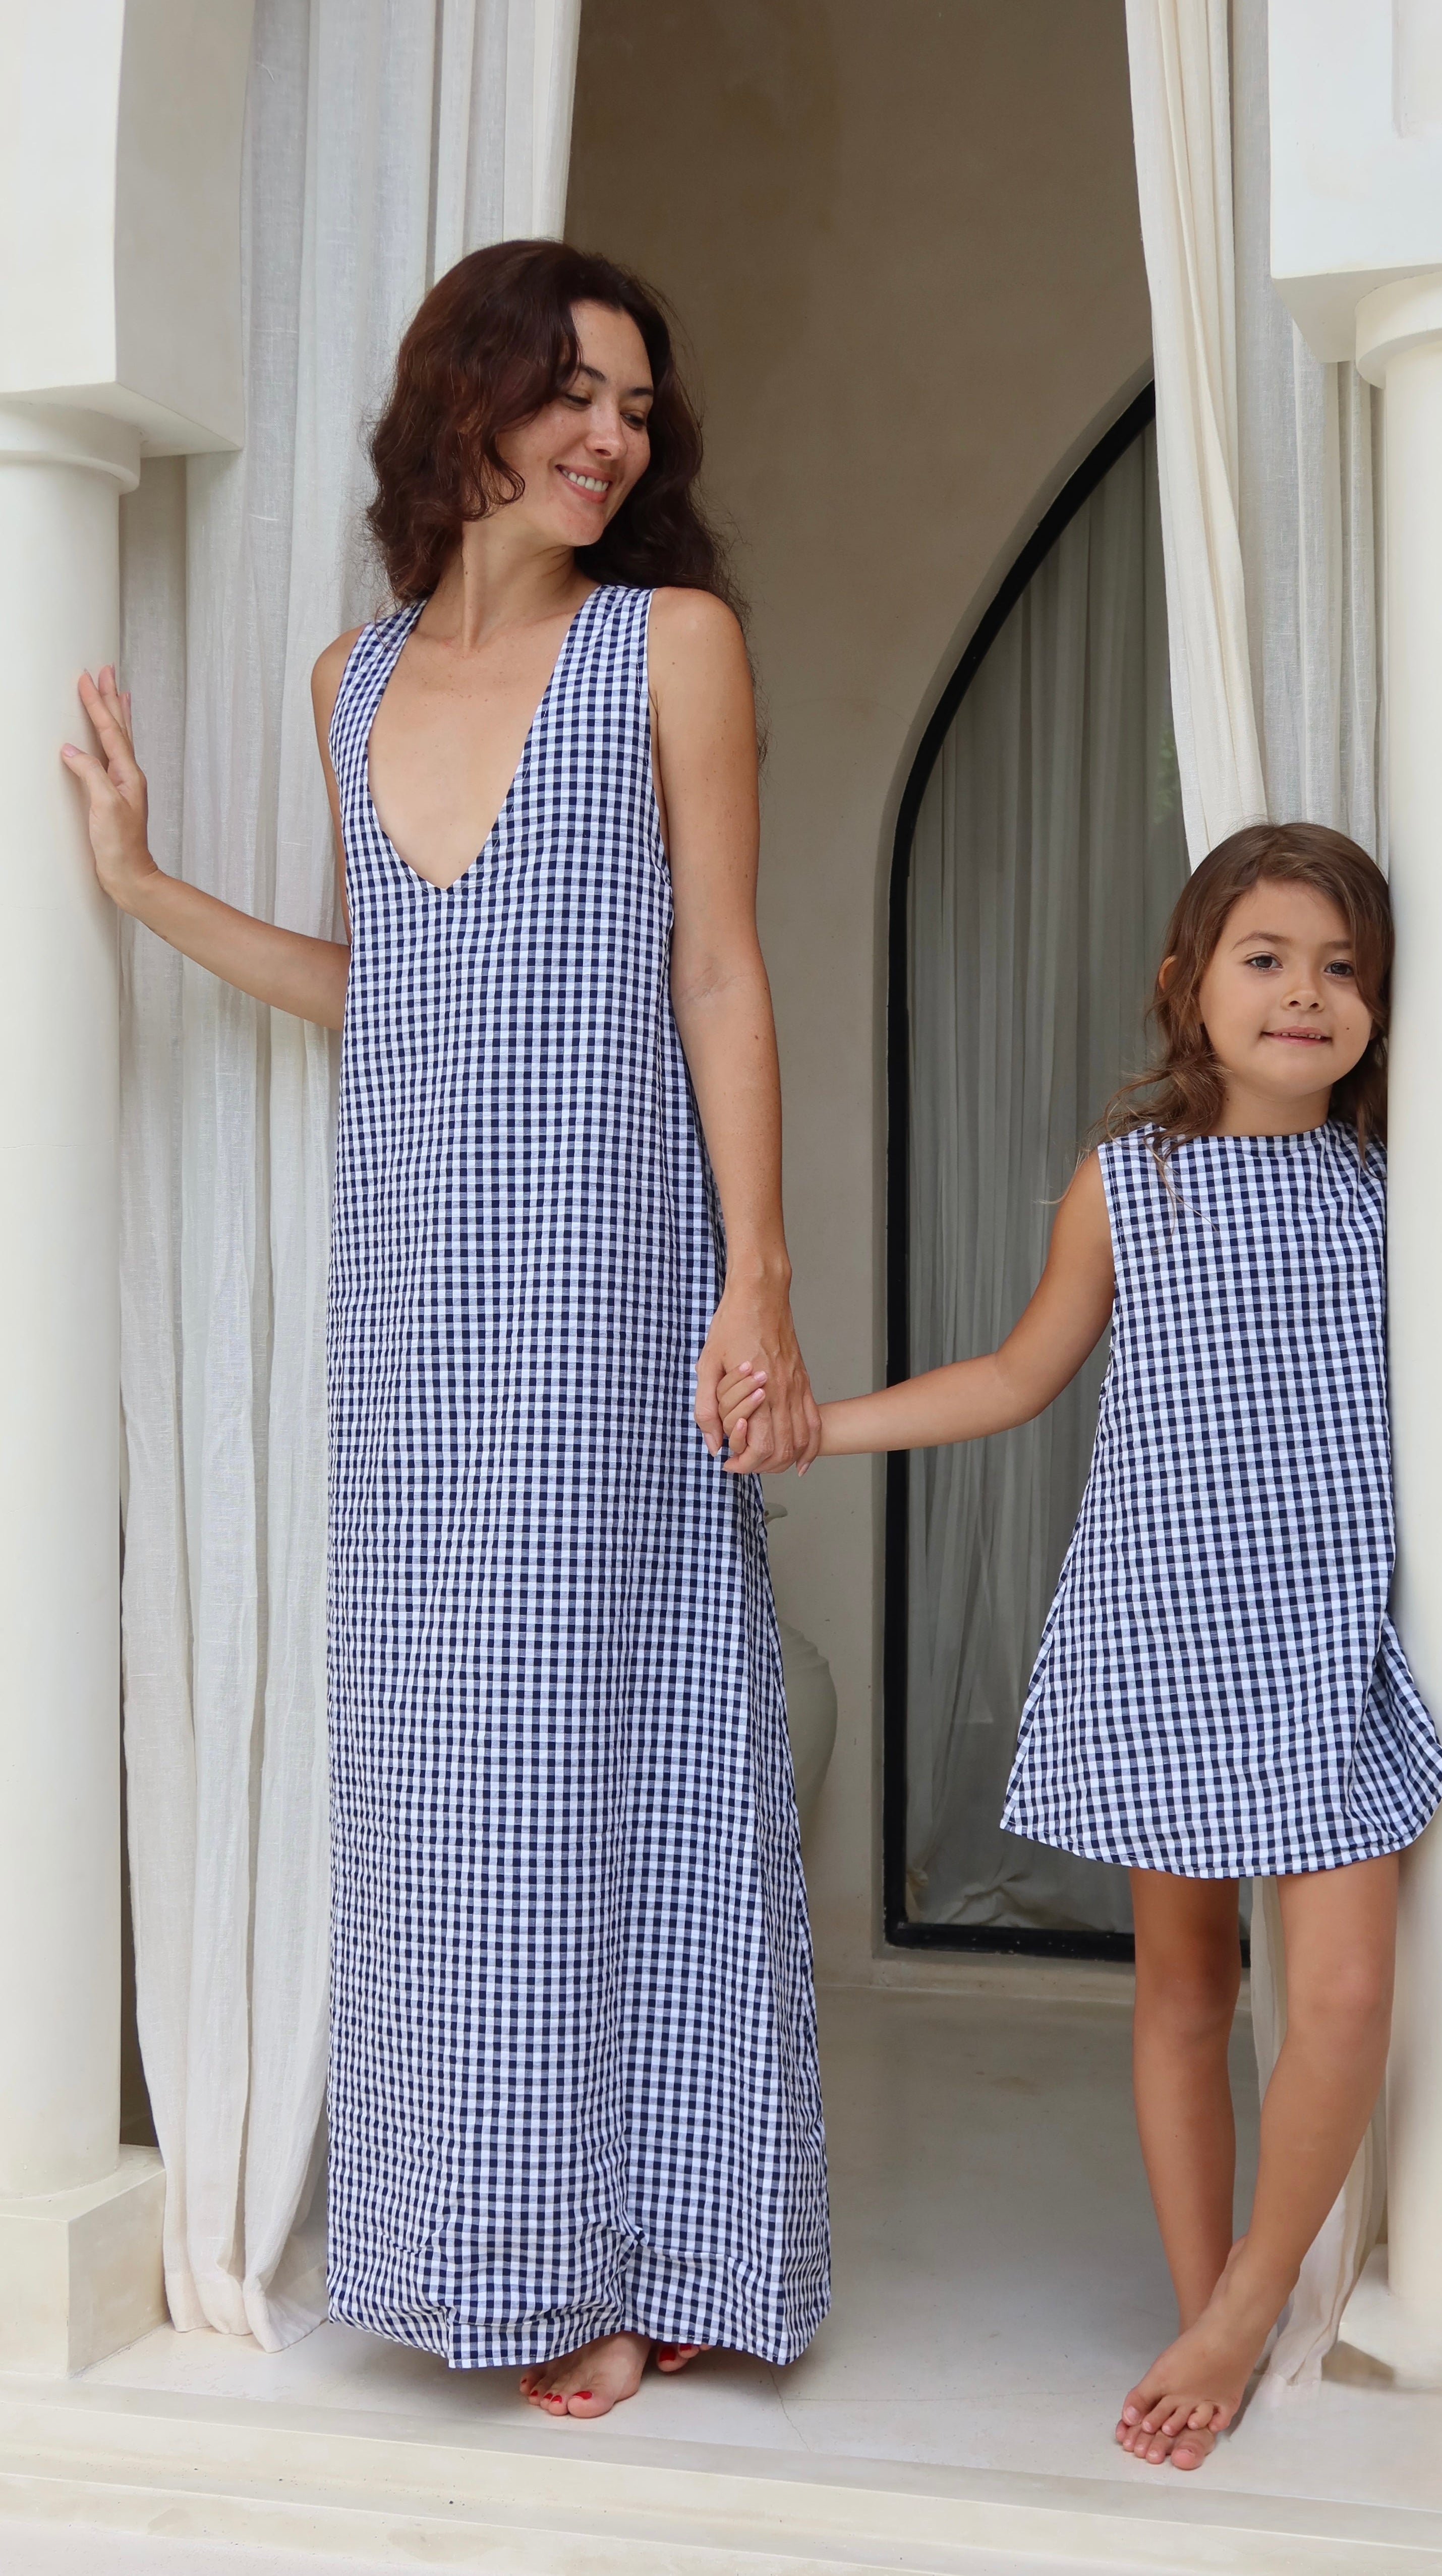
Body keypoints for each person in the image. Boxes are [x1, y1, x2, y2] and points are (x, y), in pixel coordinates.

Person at [62, 240, 830, 2419]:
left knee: (630, 1758)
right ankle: (484, 2242)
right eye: (576, 393)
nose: (614, 437)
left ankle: (651, 2246)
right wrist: (142, 894)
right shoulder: (350, 674)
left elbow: (717, 974)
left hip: (613, 1284)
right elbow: (387, 991)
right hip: (415, 1307)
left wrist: (752, 1277)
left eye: (639, 411)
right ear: (466, 400)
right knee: (445, 1784)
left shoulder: (669, 645)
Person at [718, 821, 1442, 2468]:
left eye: (1345, 965)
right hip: (1158, 1627)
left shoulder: (1407, 1177)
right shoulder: (1129, 1181)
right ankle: (1201, 2298)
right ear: (1187, 987)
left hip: (1321, 1637)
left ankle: (1244, 2305)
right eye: (1267, 957)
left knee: (1350, 1990)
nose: (1308, 992)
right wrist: (824, 1425)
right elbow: (1018, 1375)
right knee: (1183, 1982)